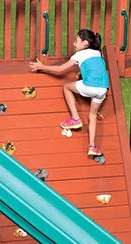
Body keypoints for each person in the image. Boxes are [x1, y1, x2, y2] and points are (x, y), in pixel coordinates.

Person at [28, 29, 110, 160]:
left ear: (85, 43)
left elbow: (60, 69)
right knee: (92, 116)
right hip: (103, 89)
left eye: (76, 41)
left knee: (67, 87)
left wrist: (41, 67)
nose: (73, 44)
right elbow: (95, 69)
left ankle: (75, 119)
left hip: (90, 86)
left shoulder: (79, 55)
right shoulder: (97, 53)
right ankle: (92, 146)